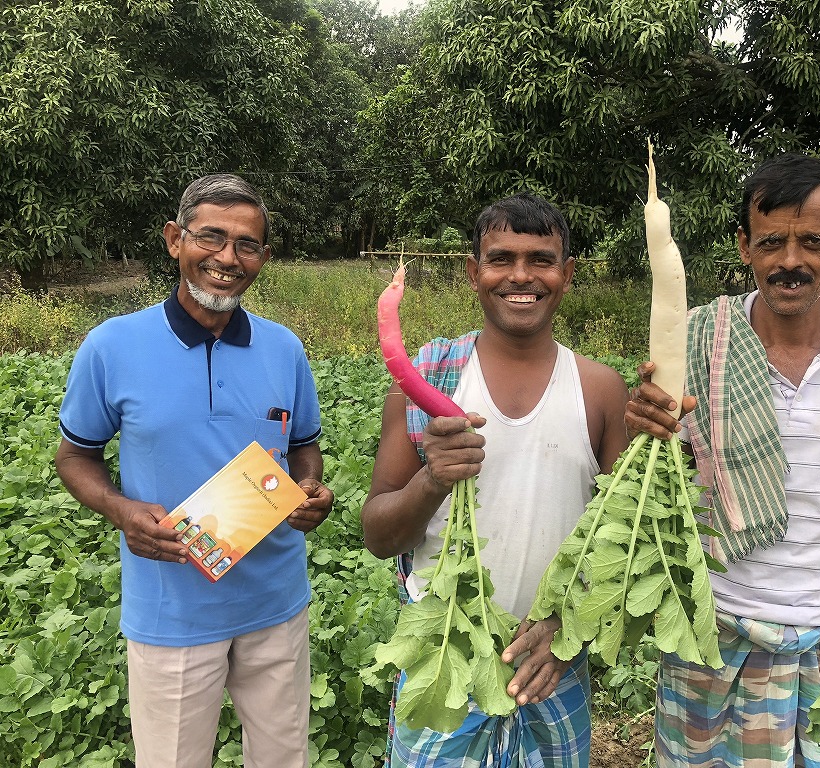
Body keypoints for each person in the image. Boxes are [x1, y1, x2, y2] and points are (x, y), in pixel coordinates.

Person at [625, 154, 820, 767]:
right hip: (712, 633)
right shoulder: (695, 344)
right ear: (744, 246)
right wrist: (647, 439)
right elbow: (662, 486)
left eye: (812, 241)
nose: (791, 261)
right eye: (772, 242)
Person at [55, 174, 334, 768]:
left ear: (263, 256)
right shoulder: (112, 346)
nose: (228, 258)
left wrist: (309, 489)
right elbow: (75, 456)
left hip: (276, 606)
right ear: (175, 239)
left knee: (285, 759)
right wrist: (121, 509)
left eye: (249, 244)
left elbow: (304, 447)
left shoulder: (284, 348)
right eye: (211, 237)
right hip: (170, 611)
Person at [361, 192, 630, 767]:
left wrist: (567, 629)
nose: (521, 276)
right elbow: (379, 536)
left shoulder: (601, 389)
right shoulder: (429, 375)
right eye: (501, 258)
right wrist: (431, 481)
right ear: (473, 272)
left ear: (567, 273)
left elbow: (620, 550)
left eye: (541, 259)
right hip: (443, 656)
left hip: (552, 663)